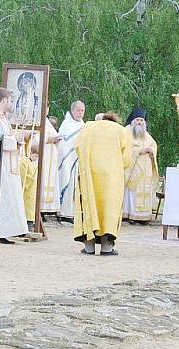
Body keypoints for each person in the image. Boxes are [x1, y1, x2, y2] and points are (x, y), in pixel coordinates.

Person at [73, 112, 132, 255]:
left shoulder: (88, 127)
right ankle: (107, 246)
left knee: (89, 205)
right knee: (109, 207)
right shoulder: (120, 130)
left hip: (90, 172)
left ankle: (89, 246)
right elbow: (127, 158)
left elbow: (78, 148)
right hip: (112, 175)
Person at [0, 87, 30, 244]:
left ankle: (6, 230)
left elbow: (7, 136)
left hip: (8, 163)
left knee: (9, 198)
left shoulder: (2, 117)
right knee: (2, 197)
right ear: (4, 100)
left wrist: (18, 138)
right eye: (10, 100)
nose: (11, 104)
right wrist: (15, 139)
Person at [123, 107, 158, 223]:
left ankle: (143, 216)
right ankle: (130, 215)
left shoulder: (145, 134)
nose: (139, 122)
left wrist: (151, 151)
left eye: (142, 120)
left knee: (144, 191)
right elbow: (125, 148)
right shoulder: (126, 132)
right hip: (133, 169)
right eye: (137, 120)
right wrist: (139, 151)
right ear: (133, 121)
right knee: (131, 193)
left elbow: (154, 145)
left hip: (145, 170)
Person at [57, 101, 86, 219]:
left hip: (79, 160)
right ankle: (64, 212)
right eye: (78, 110)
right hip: (68, 161)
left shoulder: (83, 125)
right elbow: (64, 143)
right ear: (72, 110)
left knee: (77, 186)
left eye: (82, 110)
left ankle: (74, 212)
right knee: (68, 184)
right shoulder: (66, 124)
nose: (80, 113)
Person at [31, 106, 63, 214]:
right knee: (41, 179)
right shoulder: (35, 121)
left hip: (50, 156)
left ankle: (46, 208)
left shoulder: (47, 122)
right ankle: (38, 208)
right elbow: (33, 138)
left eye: (47, 108)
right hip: (42, 155)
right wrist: (48, 139)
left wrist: (56, 139)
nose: (46, 110)